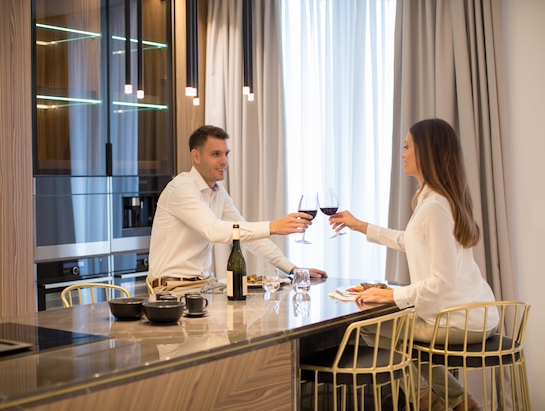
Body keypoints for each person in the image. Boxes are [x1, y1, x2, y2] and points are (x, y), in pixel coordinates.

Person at [329, 118, 498, 411]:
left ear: (426, 152)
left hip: (461, 320)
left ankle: (423, 398)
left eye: (408, 146)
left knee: (366, 328)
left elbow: (443, 282)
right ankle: (460, 402)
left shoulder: (434, 206)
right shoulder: (437, 198)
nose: (403, 153)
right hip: (478, 313)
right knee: (402, 339)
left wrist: (393, 295)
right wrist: (360, 225)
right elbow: (412, 240)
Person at [148, 125, 327, 292]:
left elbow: (249, 237)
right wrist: (273, 226)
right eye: (216, 154)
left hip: (202, 287)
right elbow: (213, 230)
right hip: (170, 291)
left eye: (226, 153)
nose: (224, 161)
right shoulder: (182, 187)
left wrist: (293, 269)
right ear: (196, 156)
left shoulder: (218, 192)